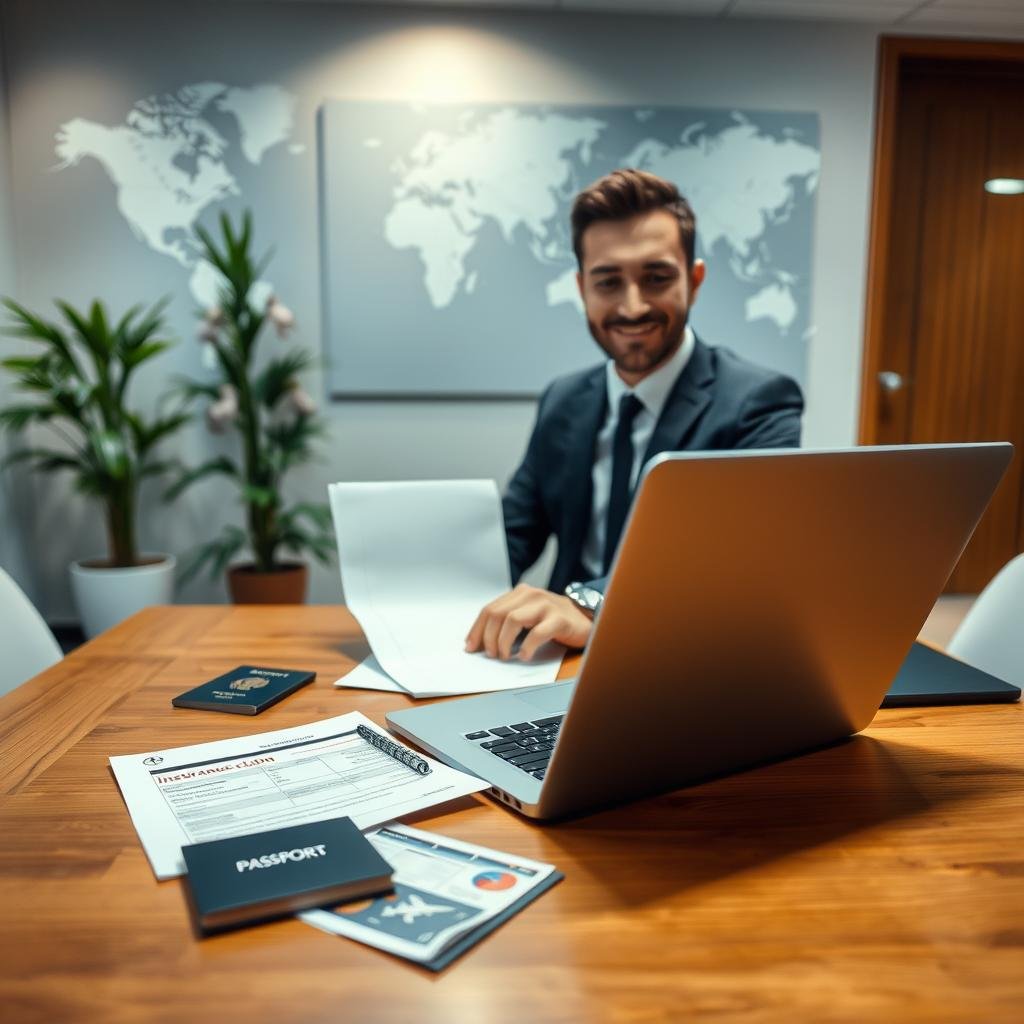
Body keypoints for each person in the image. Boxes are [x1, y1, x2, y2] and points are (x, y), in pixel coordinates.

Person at [465, 168, 803, 662]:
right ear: (582, 288)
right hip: (556, 660)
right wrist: (431, 593)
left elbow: (737, 559)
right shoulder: (562, 399)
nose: (632, 306)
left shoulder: (760, 401)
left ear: (695, 279)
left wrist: (590, 603)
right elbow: (514, 534)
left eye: (656, 277)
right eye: (608, 281)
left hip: (685, 658)